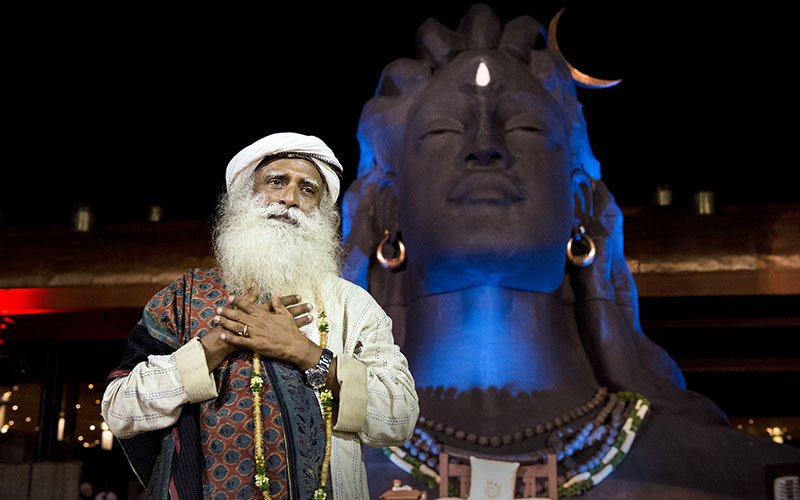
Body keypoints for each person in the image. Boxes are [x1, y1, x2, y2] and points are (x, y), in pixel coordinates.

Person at [342, 5, 800, 499]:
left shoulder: (738, 477)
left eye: (524, 129)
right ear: (386, 210)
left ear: (580, 201)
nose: (484, 147)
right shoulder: (303, 466)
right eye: (443, 132)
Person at [101, 132, 419, 500]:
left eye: (308, 190)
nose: (289, 199)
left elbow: (400, 415)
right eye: (276, 182)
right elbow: (119, 410)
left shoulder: (353, 305)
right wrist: (213, 346)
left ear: (321, 212)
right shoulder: (185, 297)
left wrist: (305, 353)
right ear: (244, 198)